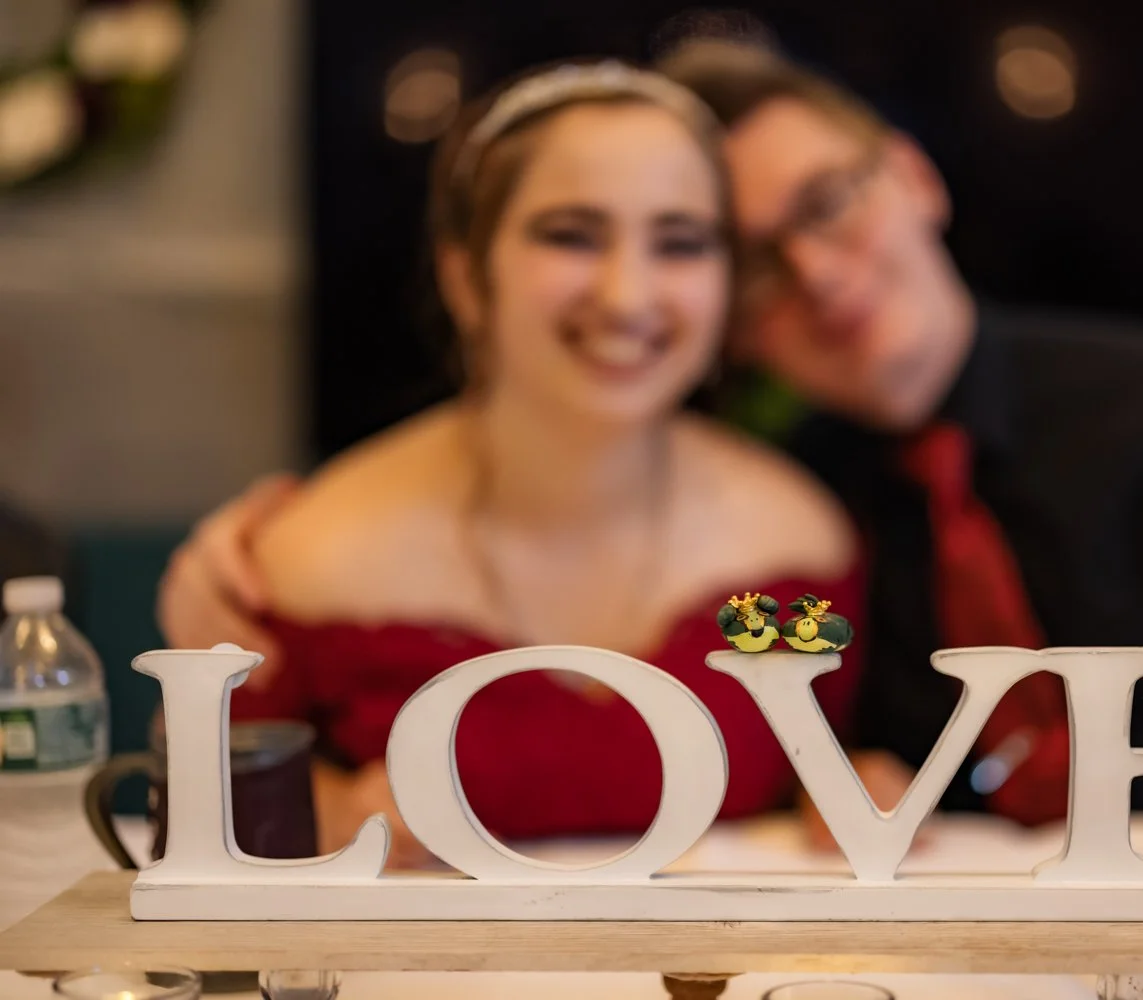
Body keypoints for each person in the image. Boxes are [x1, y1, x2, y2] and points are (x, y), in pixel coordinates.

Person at [159, 42, 1143, 892]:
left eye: (828, 204)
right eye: (760, 259)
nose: (820, 278)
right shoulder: (811, 494)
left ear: (913, 176)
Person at [176, 60, 864, 868]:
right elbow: (201, 831)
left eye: (680, 243)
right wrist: (310, 818)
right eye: (571, 235)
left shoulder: (798, 544)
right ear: (465, 275)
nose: (628, 295)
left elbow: (823, 775)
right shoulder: (303, 563)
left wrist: (847, 787)